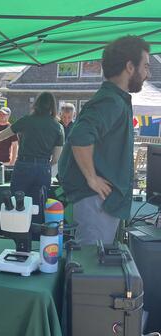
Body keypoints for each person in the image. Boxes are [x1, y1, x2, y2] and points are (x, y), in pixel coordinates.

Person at [58, 36, 150, 245]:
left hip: (100, 200)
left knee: (94, 266)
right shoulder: (111, 101)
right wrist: (92, 178)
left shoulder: (116, 99)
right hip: (96, 200)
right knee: (91, 268)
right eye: (145, 66)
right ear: (129, 66)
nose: (147, 74)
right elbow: (80, 138)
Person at [0, 92, 64, 210]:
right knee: (38, 206)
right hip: (43, 168)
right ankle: (36, 227)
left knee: (17, 204)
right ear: (53, 106)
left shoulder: (26, 120)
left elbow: (7, 133)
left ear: (36, 104)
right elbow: (56, 158)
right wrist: (44, 165)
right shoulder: (58, 127)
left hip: (23, 165)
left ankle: (17, 227)